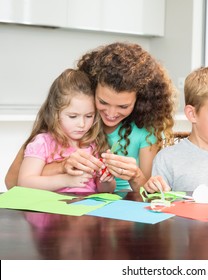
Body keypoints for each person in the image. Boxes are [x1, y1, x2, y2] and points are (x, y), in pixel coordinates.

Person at [5, 42, 177, 192]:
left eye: (123, 106)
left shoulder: (145, 131)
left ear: (141, 101)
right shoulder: (67, 123)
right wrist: (63, 167)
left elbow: (147, 191)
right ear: (92, 89)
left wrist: (135, 176)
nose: (110, 114)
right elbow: (12, 182)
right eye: (103, 102)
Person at [17, 69, 115, 193]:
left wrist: (106, 180)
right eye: (73, 116)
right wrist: (66, 180)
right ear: (55, 113)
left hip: (86, 209)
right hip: (52, 210)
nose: (82, 124)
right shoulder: (43, 142)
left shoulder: (93, 142)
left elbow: (107, 191)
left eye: (89, 116)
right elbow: (24, 182)